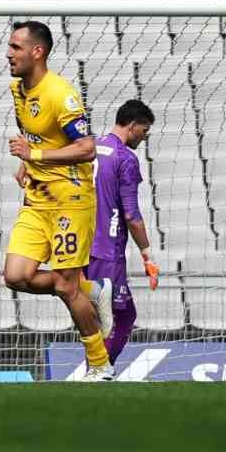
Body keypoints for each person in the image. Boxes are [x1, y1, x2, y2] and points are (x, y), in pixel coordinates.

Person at [0, 21, 115, 382]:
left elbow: (86, 148)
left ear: (38, 52)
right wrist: (26, 163)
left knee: (64, 286)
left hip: (71, 201)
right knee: (16, 276)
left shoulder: (60, 94)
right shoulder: (18, 88)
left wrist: (35, 155)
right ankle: (91, 289)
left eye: (16, 47)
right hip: (37, 199)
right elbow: (33, 132)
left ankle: (99, 364)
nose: (8, 53)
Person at [85, 99, 161, 366]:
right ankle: (98, 371)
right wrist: (147, 255)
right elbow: (131, 215)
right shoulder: (125, 158)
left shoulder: (89, 146)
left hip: (81, 247)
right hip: (107, 249)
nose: (144, 137)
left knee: (96, 318)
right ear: (132, 126)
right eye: (144, 131)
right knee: (124, 317)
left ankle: (95, 371)